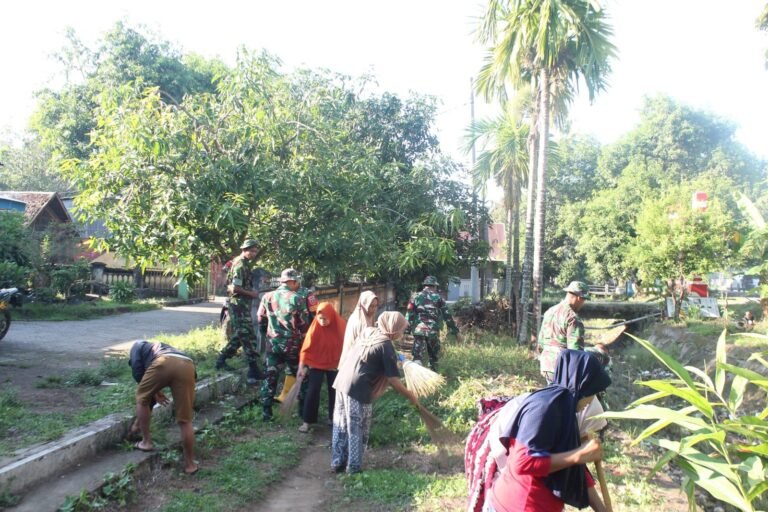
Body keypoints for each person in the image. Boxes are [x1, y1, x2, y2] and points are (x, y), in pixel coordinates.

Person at [484, 350, 611, 512]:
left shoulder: (566, 411)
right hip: (518, 506)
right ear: (582, 386)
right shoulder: (544, 407)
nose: (592, 400)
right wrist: (577, 455)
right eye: (592, 393)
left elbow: (573, 467)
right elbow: (522, 463)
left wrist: (602, 509)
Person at [331, 311, 420, 474]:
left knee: (341, 424)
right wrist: (410, 395)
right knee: (357, 426)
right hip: (358, 387)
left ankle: (338, 462)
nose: (402, 334)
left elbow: (374, 354)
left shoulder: (370, 332)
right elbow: (393, 380)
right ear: (392, 328)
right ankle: (354, 467)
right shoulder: (386, 345)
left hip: (341, 380)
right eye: (401, 330)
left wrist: (400, 358)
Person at [128, 340, 198, 474]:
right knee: (185, 419)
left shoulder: (135, 347)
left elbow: (140, 381)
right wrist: (156, 393)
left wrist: (154, 393)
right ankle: (190, 465)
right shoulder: (157, 347)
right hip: (188, 365)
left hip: (164, 362)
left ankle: (146, 442)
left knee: (141, 399)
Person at [257, 268, 309, 421]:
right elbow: (303, 325)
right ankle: (302, 412)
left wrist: (265, 332)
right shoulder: (296, 298)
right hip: (292, 346)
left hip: (273, 345)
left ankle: (266, 413)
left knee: (270, 376)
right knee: (302, 377)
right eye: (296, 281)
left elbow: (260, 317)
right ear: (292, 281)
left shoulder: (267, 296)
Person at [215, 239, 264, 386]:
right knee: (249, 337)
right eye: (252, 251)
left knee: (240, 336)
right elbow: (235, 288)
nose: (254, 254)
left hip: (241, 305)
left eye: (255, 251)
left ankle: (221, 360)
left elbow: (225, 270)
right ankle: (254, 370)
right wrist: (252, 294)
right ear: (245, 250)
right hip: (238, 306)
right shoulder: (240, 265)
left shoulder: (237, 261)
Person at [297, 302, 346, 433]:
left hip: (335, 364)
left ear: (331, 315)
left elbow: (348, 346)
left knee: (335, 392)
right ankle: (307, 422)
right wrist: (301, 367)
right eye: (320, 318)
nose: (322, 321)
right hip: (316, 363)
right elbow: (305, 349)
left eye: (325, 318)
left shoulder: (341, 325)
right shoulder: (315, 327)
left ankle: (334, 418)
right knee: (312, 391)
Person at [537, 281, 590, 383]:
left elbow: (541, 341)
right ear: (580, 298)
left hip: (546, 364)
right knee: (564, 398)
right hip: (562, 367)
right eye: (584, 300)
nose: (583, 303)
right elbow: (575, 351)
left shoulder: (550, 311)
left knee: (552, 395)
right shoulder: (572, 318)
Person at [406, 276, 458, 371]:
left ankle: (416, 377)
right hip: (432, 331)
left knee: (417, 357)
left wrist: (406, 329)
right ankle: (433, 377)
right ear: (434, 286)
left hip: (419, 331)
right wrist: (454, 330)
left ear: (424, 285)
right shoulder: (438, 298)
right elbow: (447, 316)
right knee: (433, 357)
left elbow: (409, 314)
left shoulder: (415, 297)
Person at [339, 290, 379, 365]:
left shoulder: (363, 316)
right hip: (354, 361)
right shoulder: (361, 322)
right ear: (364, 305)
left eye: (376, 306)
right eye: (371, 306)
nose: (374, 309)